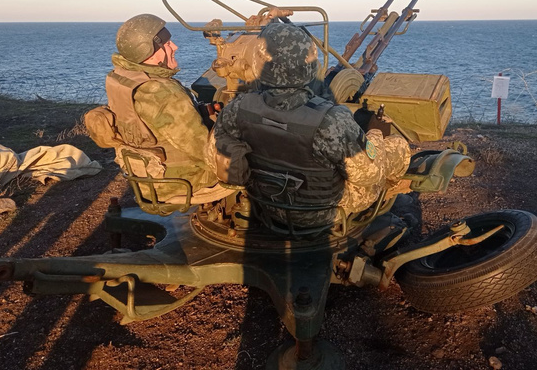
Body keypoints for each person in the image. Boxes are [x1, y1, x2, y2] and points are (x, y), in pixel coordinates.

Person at [207, 22, 412, 229]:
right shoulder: (332, 120)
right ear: (309, 64)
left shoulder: (238, 108)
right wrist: (376, 132)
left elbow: (213, 158)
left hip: (264, 204)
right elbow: (368, 174)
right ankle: (393, 197)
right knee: (396, 146)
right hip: (318, 215)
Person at [86, 14, 221, 202]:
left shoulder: (122, 78)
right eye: (166, 44)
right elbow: (204, 152)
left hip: (147, 178)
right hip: (180, 183)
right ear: (147, 51)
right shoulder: (162, 92)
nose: (175, 47)